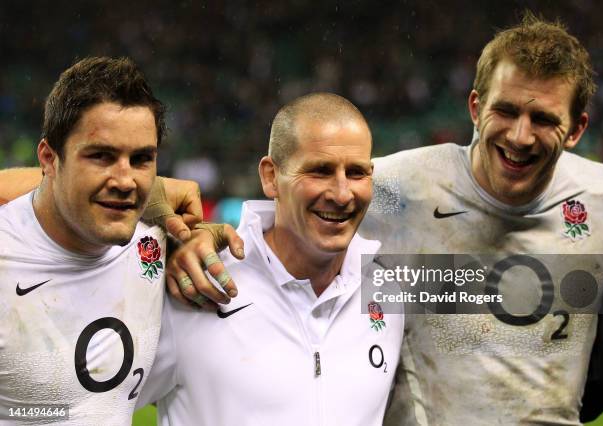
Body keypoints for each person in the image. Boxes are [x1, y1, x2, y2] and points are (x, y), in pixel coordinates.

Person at [361, 14, 603, 426]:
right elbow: (286, 226)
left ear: (576, 129)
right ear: (476, 108)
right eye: (506, 111)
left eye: (544, 119)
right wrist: (213, 235)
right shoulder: (397, 187)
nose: (519, 136)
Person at [137, 92, 404, 425]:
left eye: (356, 173)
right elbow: (81, 399)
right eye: (319, 171)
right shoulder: (193, 290)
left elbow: (482, 289)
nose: (341, 193)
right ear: (270, 176)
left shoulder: (390, 290)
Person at [0, 56, 239, 425]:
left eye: (142, 159)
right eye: (101, 156)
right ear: (49, 158)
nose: (125, 180)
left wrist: (195, 240)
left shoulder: (157, 242)